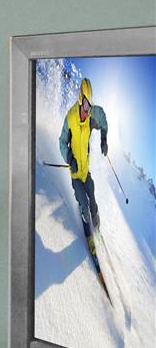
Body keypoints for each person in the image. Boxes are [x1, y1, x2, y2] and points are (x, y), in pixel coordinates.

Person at [59, 77, 111, 240]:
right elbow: (62, 142)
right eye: (86, 106)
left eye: (90, 107)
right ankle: (89, 236)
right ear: (80, 99)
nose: (88, 112)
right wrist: (69, 158)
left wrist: (104, 139)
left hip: (85, 172)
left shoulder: (91, 114)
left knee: (93, 203)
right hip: (76, 174)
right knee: (84, 205)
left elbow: (103, 118)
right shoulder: (70, 118)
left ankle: (97, 227)